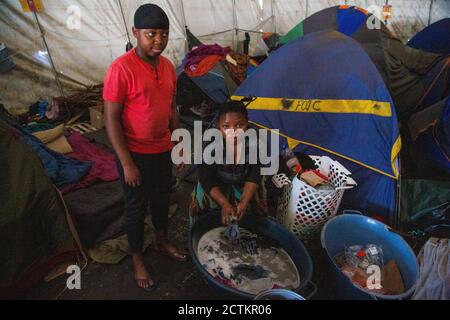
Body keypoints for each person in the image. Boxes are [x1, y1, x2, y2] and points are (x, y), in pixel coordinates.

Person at [103, 3, 187, 292]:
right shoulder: (120, 69)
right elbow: (111, 118)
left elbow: (172, 108)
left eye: (163, 34)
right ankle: (137, 256)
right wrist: (126, 163)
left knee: (163, 198)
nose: (158, 41)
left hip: (162, 150)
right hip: (134, 154)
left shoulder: (167, 67)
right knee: (136, 208)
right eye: (150, 34)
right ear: (135, 32)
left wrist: (178, 142)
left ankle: (161, 241)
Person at [189, 101, 268, 226]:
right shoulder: (210, 141)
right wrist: (224, 203)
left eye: (239, 125)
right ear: (218, 127)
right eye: (226, 127)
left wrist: (244, 201)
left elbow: (255, 174)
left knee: (255, 210)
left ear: (247, 123)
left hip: (244, 182)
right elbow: (206, 178)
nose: (233, 132)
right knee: (201, 203)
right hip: (217, 183)